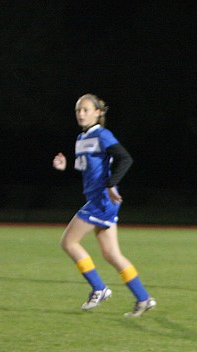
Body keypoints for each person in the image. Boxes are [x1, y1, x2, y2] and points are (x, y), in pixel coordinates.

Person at [52, 93, 156, 317]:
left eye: (86, 110)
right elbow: (87, 169)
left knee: (69, 242)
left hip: (102, 200)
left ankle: (99, 288)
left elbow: (126, 159)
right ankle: (143, 298)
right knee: (111, 254)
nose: (81, 114)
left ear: (98, 113)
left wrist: (111, 184)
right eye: (78, 110)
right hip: (98, 199)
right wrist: (66, 166)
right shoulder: (81, 138)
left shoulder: (102, 134)